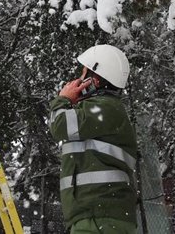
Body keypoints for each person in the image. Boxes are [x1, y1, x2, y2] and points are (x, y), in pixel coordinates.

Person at [49, 45, 138, 234]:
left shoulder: (104, 108)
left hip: (98, 218)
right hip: (100, 217)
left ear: (94, 81)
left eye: (83, 75)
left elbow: (59, 125)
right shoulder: (102, 111)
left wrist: (63, 99)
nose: (78, 81)